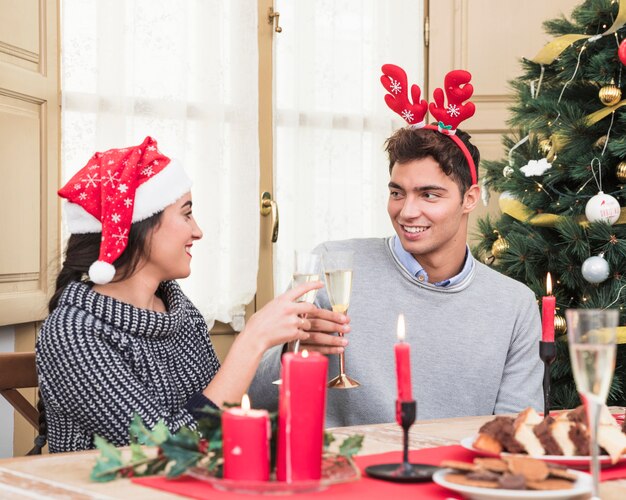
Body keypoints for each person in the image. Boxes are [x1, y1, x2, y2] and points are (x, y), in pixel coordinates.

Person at [250, 67, 543, 427]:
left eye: (429, 195)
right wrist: (290, 354)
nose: (406, 211)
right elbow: (254, 399)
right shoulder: (332, 265)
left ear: (470, 199)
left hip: (455, 476)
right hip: (349, 475)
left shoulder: (514, 305)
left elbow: (517, 431)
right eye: (396, 193)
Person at [35, 137, 322, 453]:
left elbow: (222, 417)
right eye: (186, 214)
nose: (197, 231)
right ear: (139, 225)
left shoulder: (179, 312)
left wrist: (283, 351)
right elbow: (165, 450)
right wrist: (251, 340)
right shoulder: (72, 334)